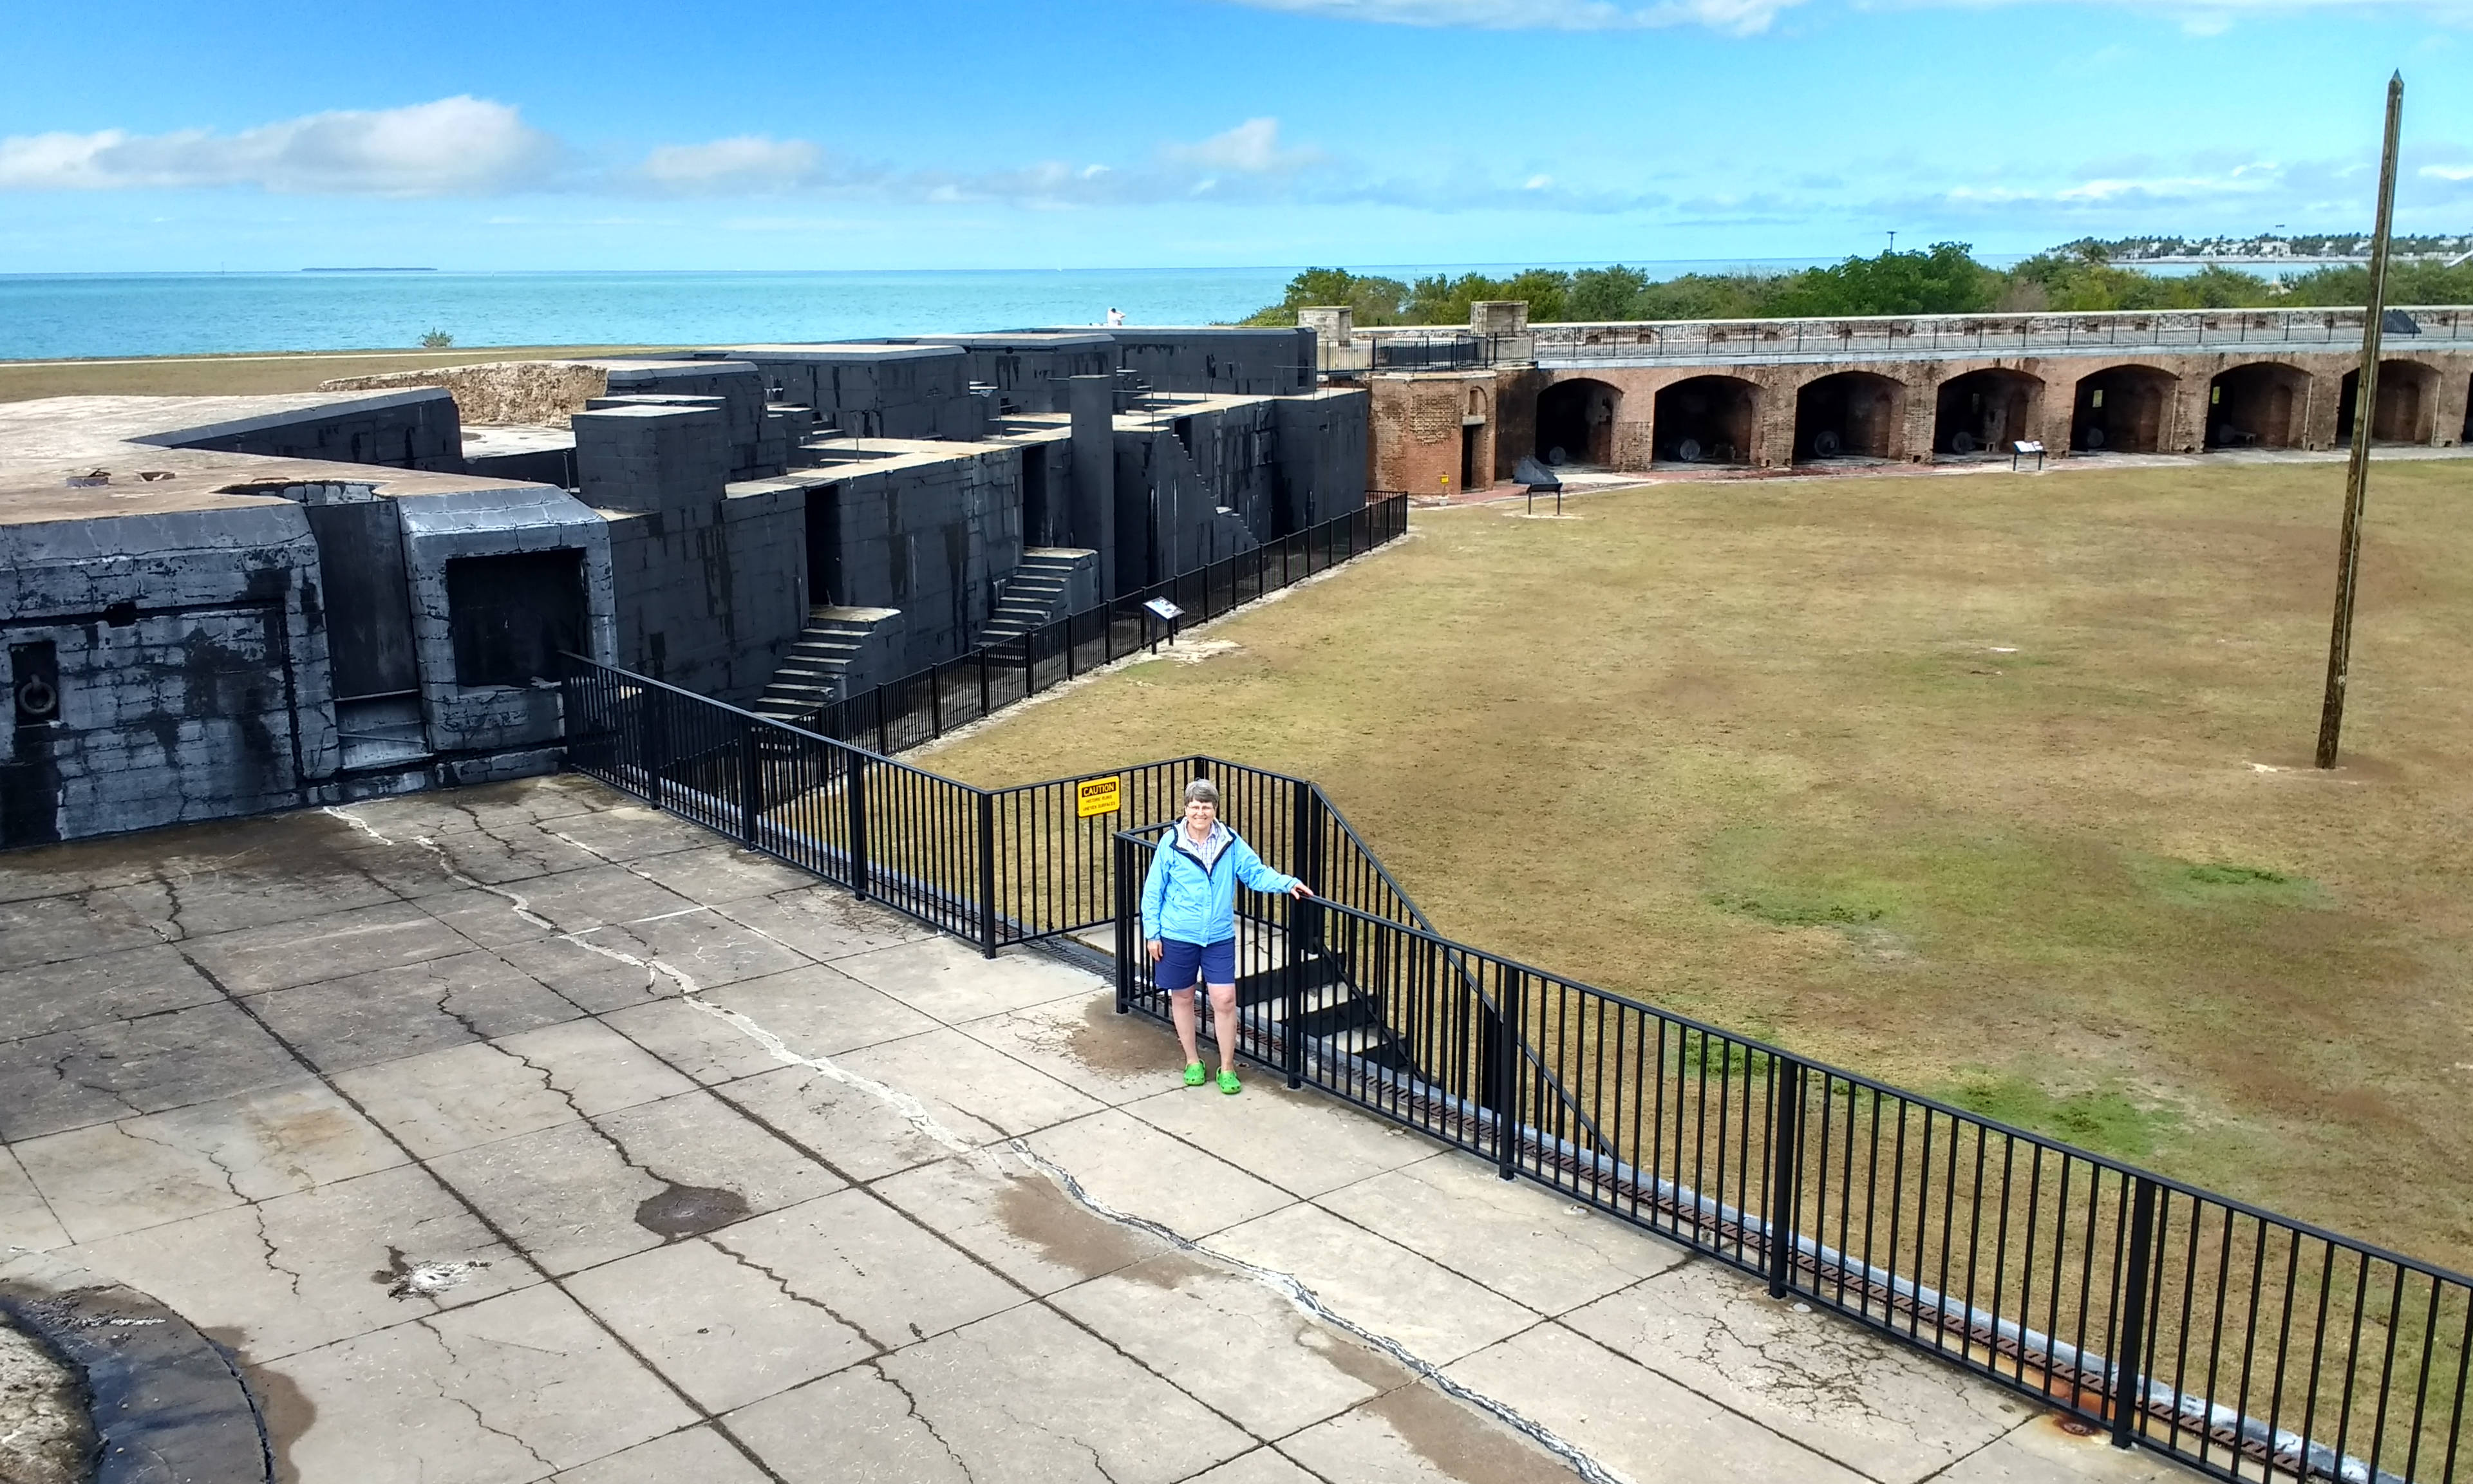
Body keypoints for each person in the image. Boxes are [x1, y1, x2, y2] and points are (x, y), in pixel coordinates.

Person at [1140, 778, 1314, 1094]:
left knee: (1225, 999)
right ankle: (1193, 1061)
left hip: (1218, 935)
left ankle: (1228, 1067)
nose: (1200, 812)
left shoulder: (1230, 842)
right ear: (1185, 809)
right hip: (1177, 934)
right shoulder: (1170, 843)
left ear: (1215, 809)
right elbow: (1153, 892)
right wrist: (1153, 933)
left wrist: (1287, 883)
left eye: (1206, 807)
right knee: (1182, 997)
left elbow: (1255, 872)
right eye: (1194, 806)